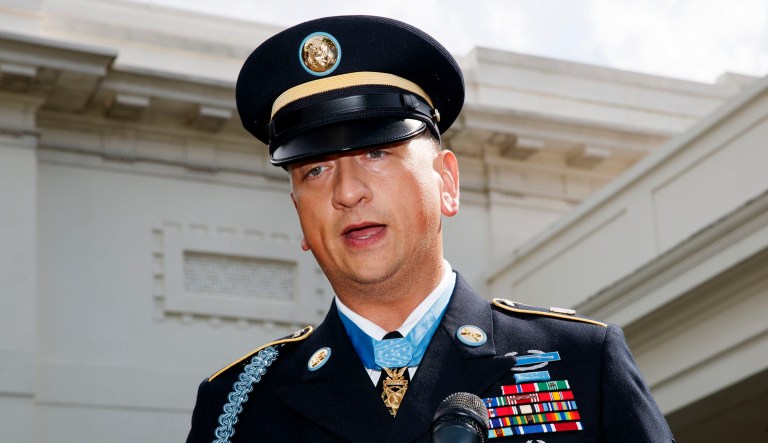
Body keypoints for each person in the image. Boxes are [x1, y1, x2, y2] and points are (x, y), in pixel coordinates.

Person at [186, 15, 675, 443]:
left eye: (376, 154)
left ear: (446, 182)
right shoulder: (236, 409)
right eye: (314, 170)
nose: (347, 192)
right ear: (300, 215)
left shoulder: (581, 364)